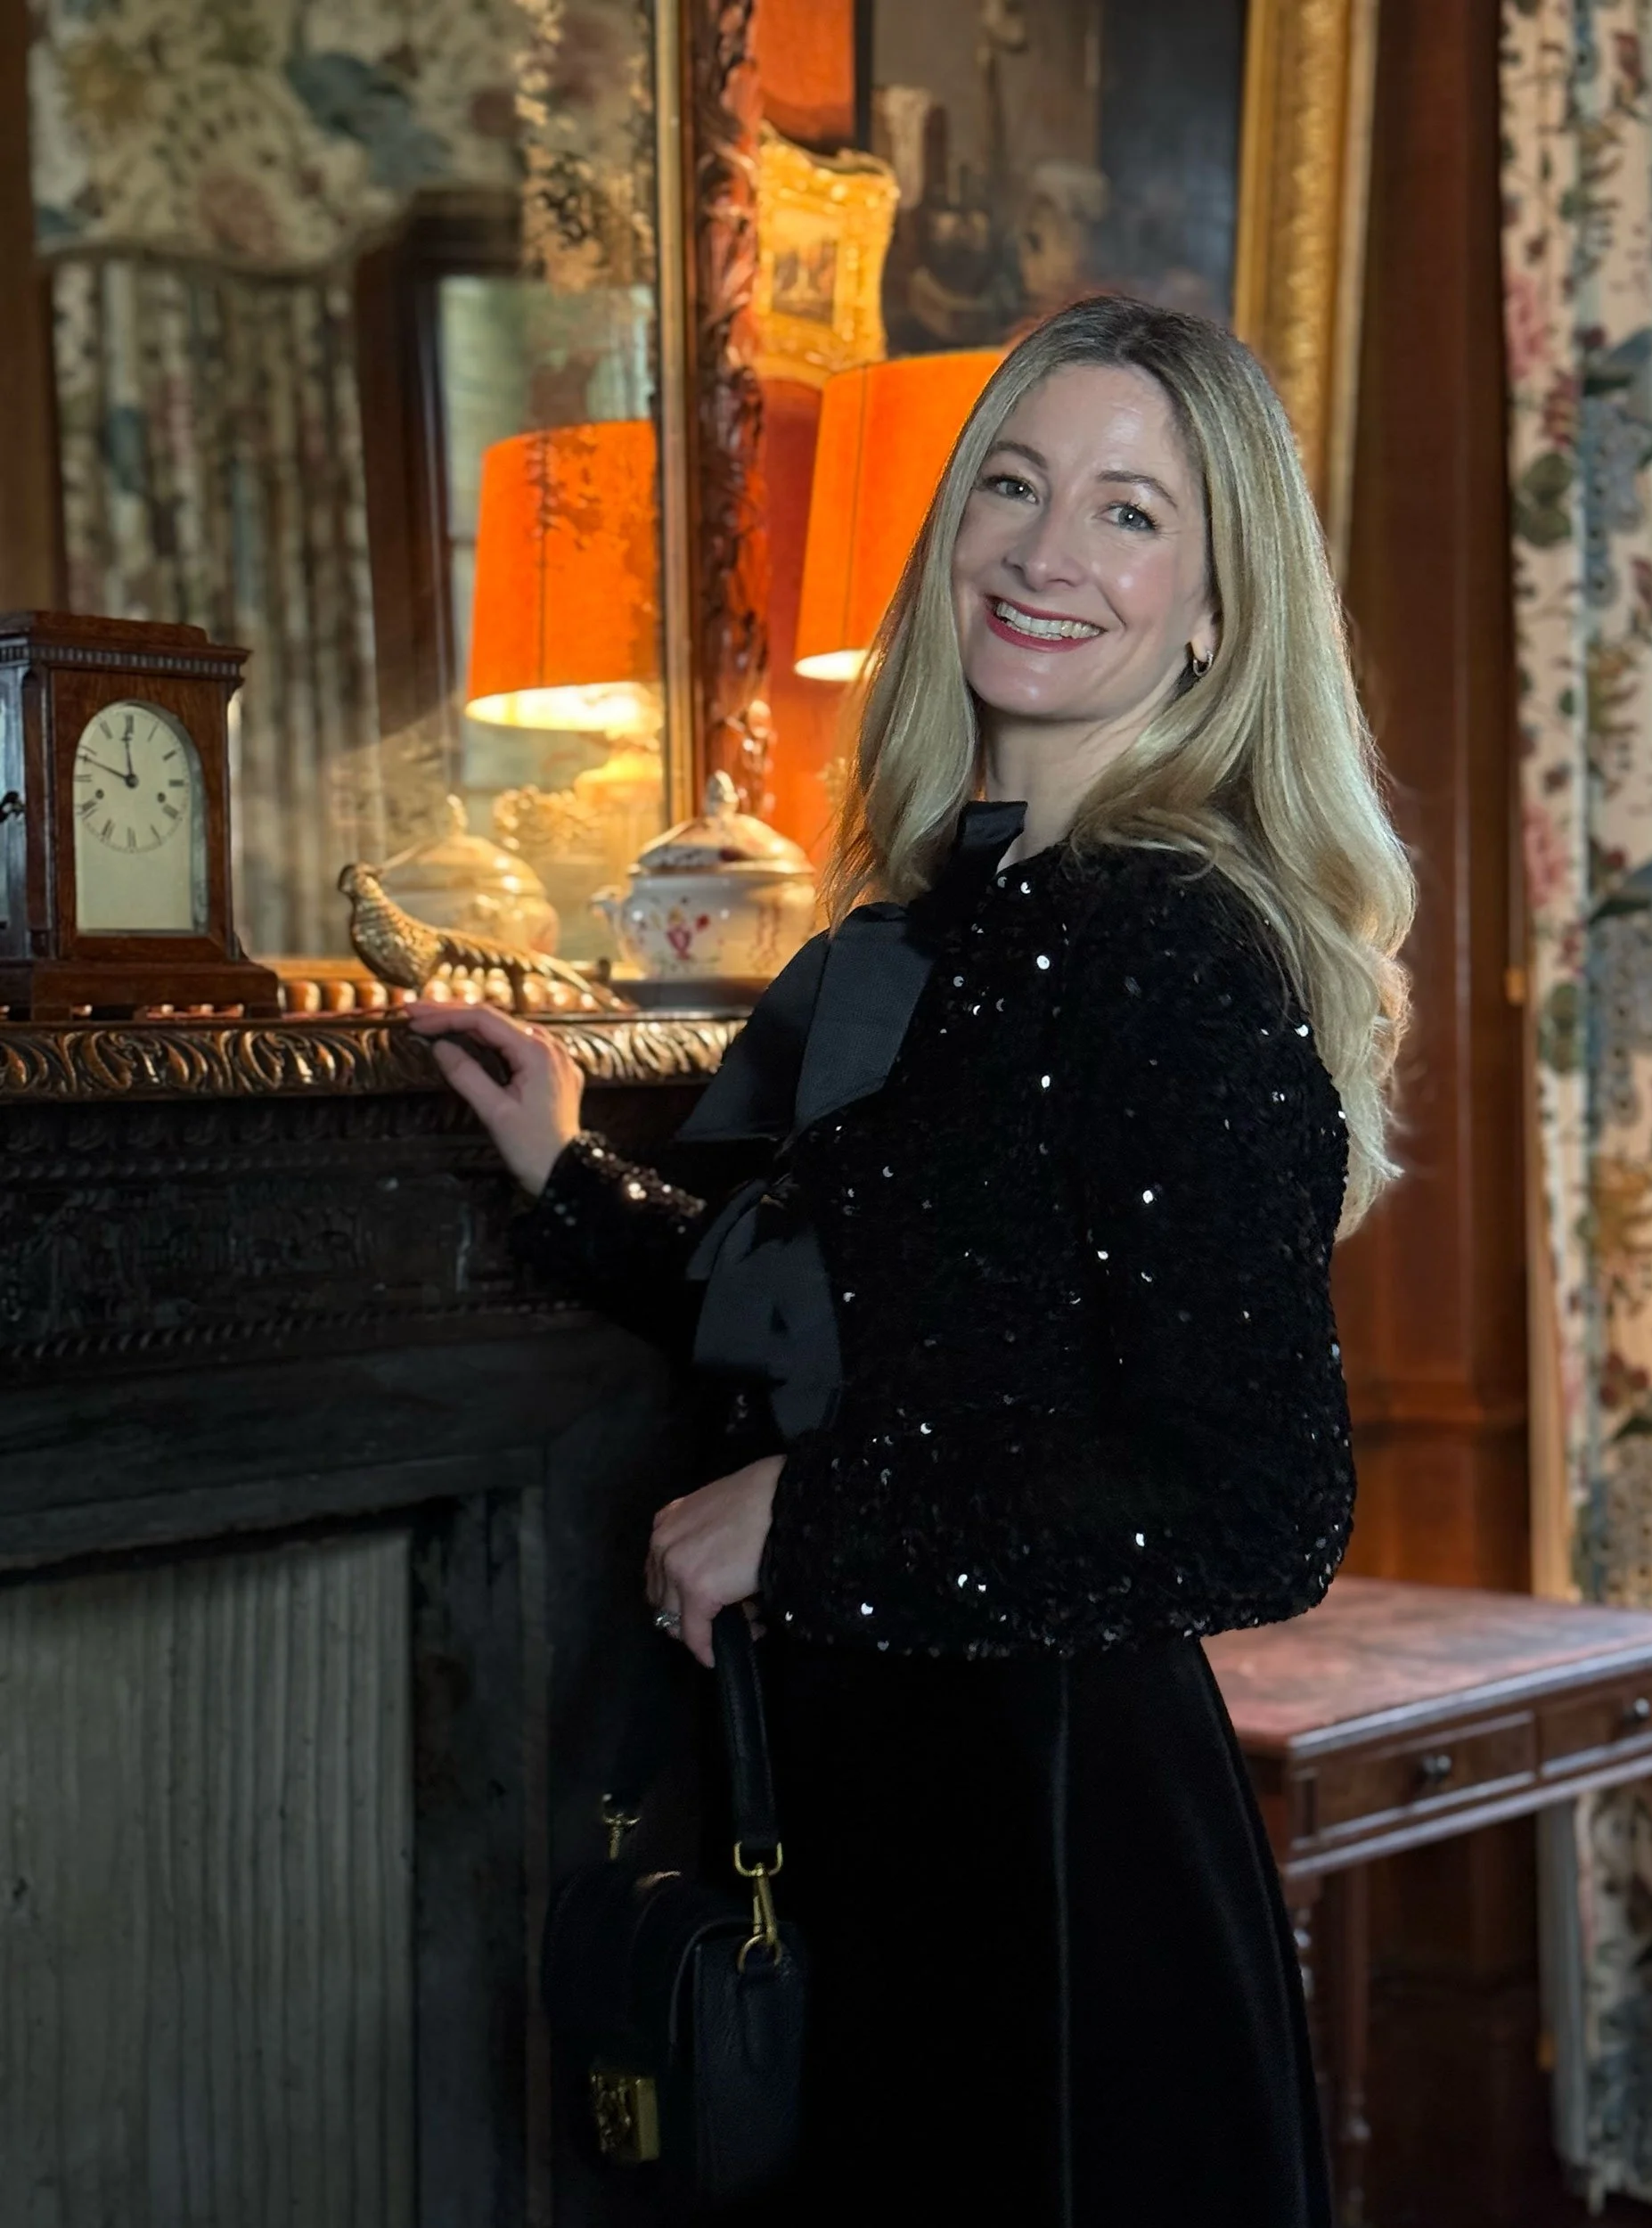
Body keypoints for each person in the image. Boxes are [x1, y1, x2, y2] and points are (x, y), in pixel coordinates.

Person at [412, 292, 1414, 2226]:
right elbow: (852, 1319)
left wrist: (813, 1521)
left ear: (1214, 609)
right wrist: (566, 1178)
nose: (1047, 553)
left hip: (1050, 1863)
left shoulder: (1169, 947)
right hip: (870, 1803)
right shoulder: (943, 914)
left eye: (1131, 513)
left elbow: (1264, 1508)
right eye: (1014, 486)